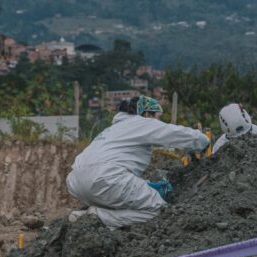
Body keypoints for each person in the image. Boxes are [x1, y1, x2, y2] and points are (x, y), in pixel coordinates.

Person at [66, 96, 210, 228]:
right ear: (147, 114)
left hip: (76, 182)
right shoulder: (143, 123)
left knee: (124, 203)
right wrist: (203, 140)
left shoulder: (112, 129)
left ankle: (85, 216)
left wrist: (146, 186)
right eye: (158, 117)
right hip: (106, 178)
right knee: (160, 209)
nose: (158, 122)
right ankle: (99, 217)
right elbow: (175, 133)